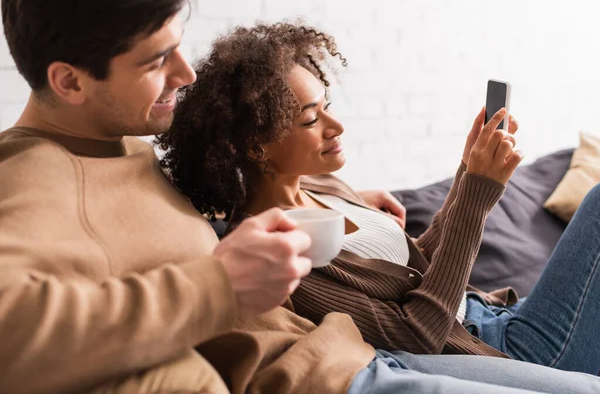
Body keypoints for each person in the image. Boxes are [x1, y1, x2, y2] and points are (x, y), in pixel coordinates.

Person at [1, 0, 598, 392]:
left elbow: (202, 198)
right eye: (158, 60)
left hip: (371, 348)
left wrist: (334, 203)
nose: (185, 74)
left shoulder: (127, 143)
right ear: (69, 81)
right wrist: (218, 285)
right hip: (350, 370)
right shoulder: (28, 177)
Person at [157, 20, 600, 380]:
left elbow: (416, 269)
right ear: (256, 147)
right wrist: (476, 197)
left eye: (326, 104)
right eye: (312, 119)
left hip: (495, 312)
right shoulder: (282, 250)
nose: (336, 126)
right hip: (500, 348)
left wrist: (468, 172)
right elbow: (417, 331)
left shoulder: (323, 187)